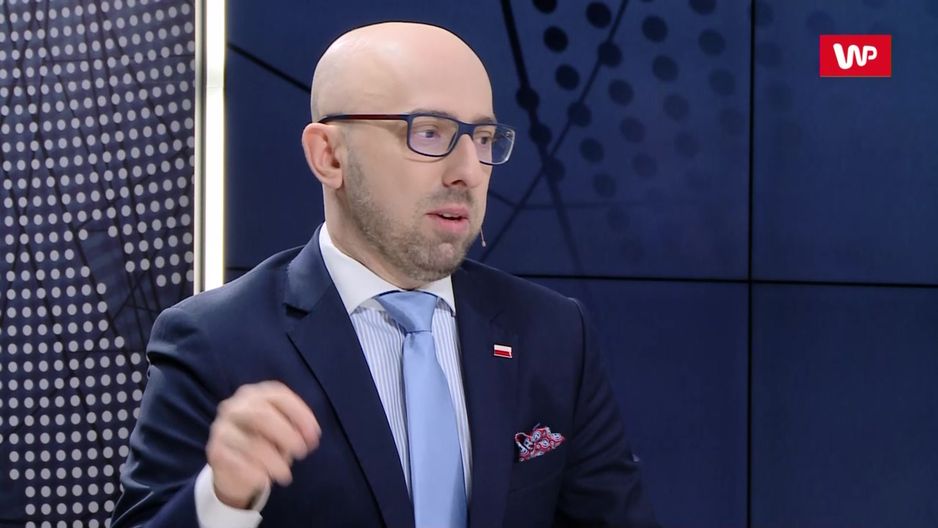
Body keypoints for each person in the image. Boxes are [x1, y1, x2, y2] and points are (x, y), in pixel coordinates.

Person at [111, 21, 658, 528]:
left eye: (484, 139)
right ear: (329, 156)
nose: (468, 171)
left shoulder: (553, 334)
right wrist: (222, 498)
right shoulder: (214, 341)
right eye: (429, 133)